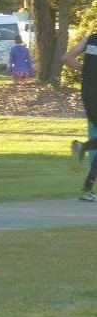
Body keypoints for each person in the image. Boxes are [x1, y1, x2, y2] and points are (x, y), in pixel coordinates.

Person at [62, 33, 97, 201]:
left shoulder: (90, 39)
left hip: (88, 94)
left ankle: (87, 189)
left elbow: (67, 58)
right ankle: (82, 147)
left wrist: (86, 70)